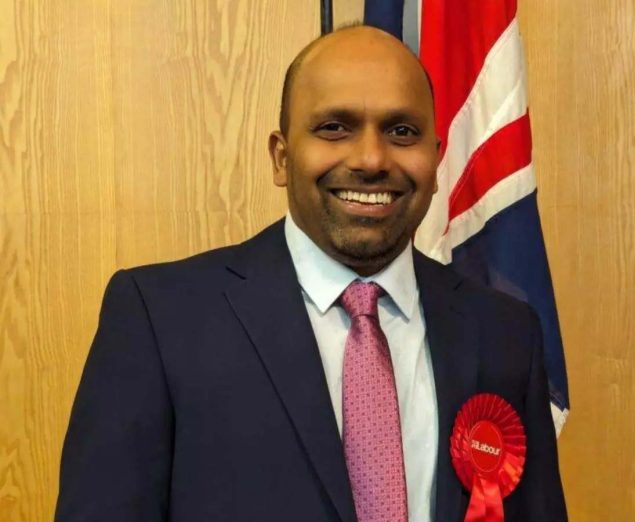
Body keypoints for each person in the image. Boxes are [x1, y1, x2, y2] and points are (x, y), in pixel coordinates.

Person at [55, 25, 566, 522]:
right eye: (334, 128)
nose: (371, 158)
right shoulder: (159, 320)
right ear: (281, 158)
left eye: (402, 131)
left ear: (435, 161)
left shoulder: (505, 333)